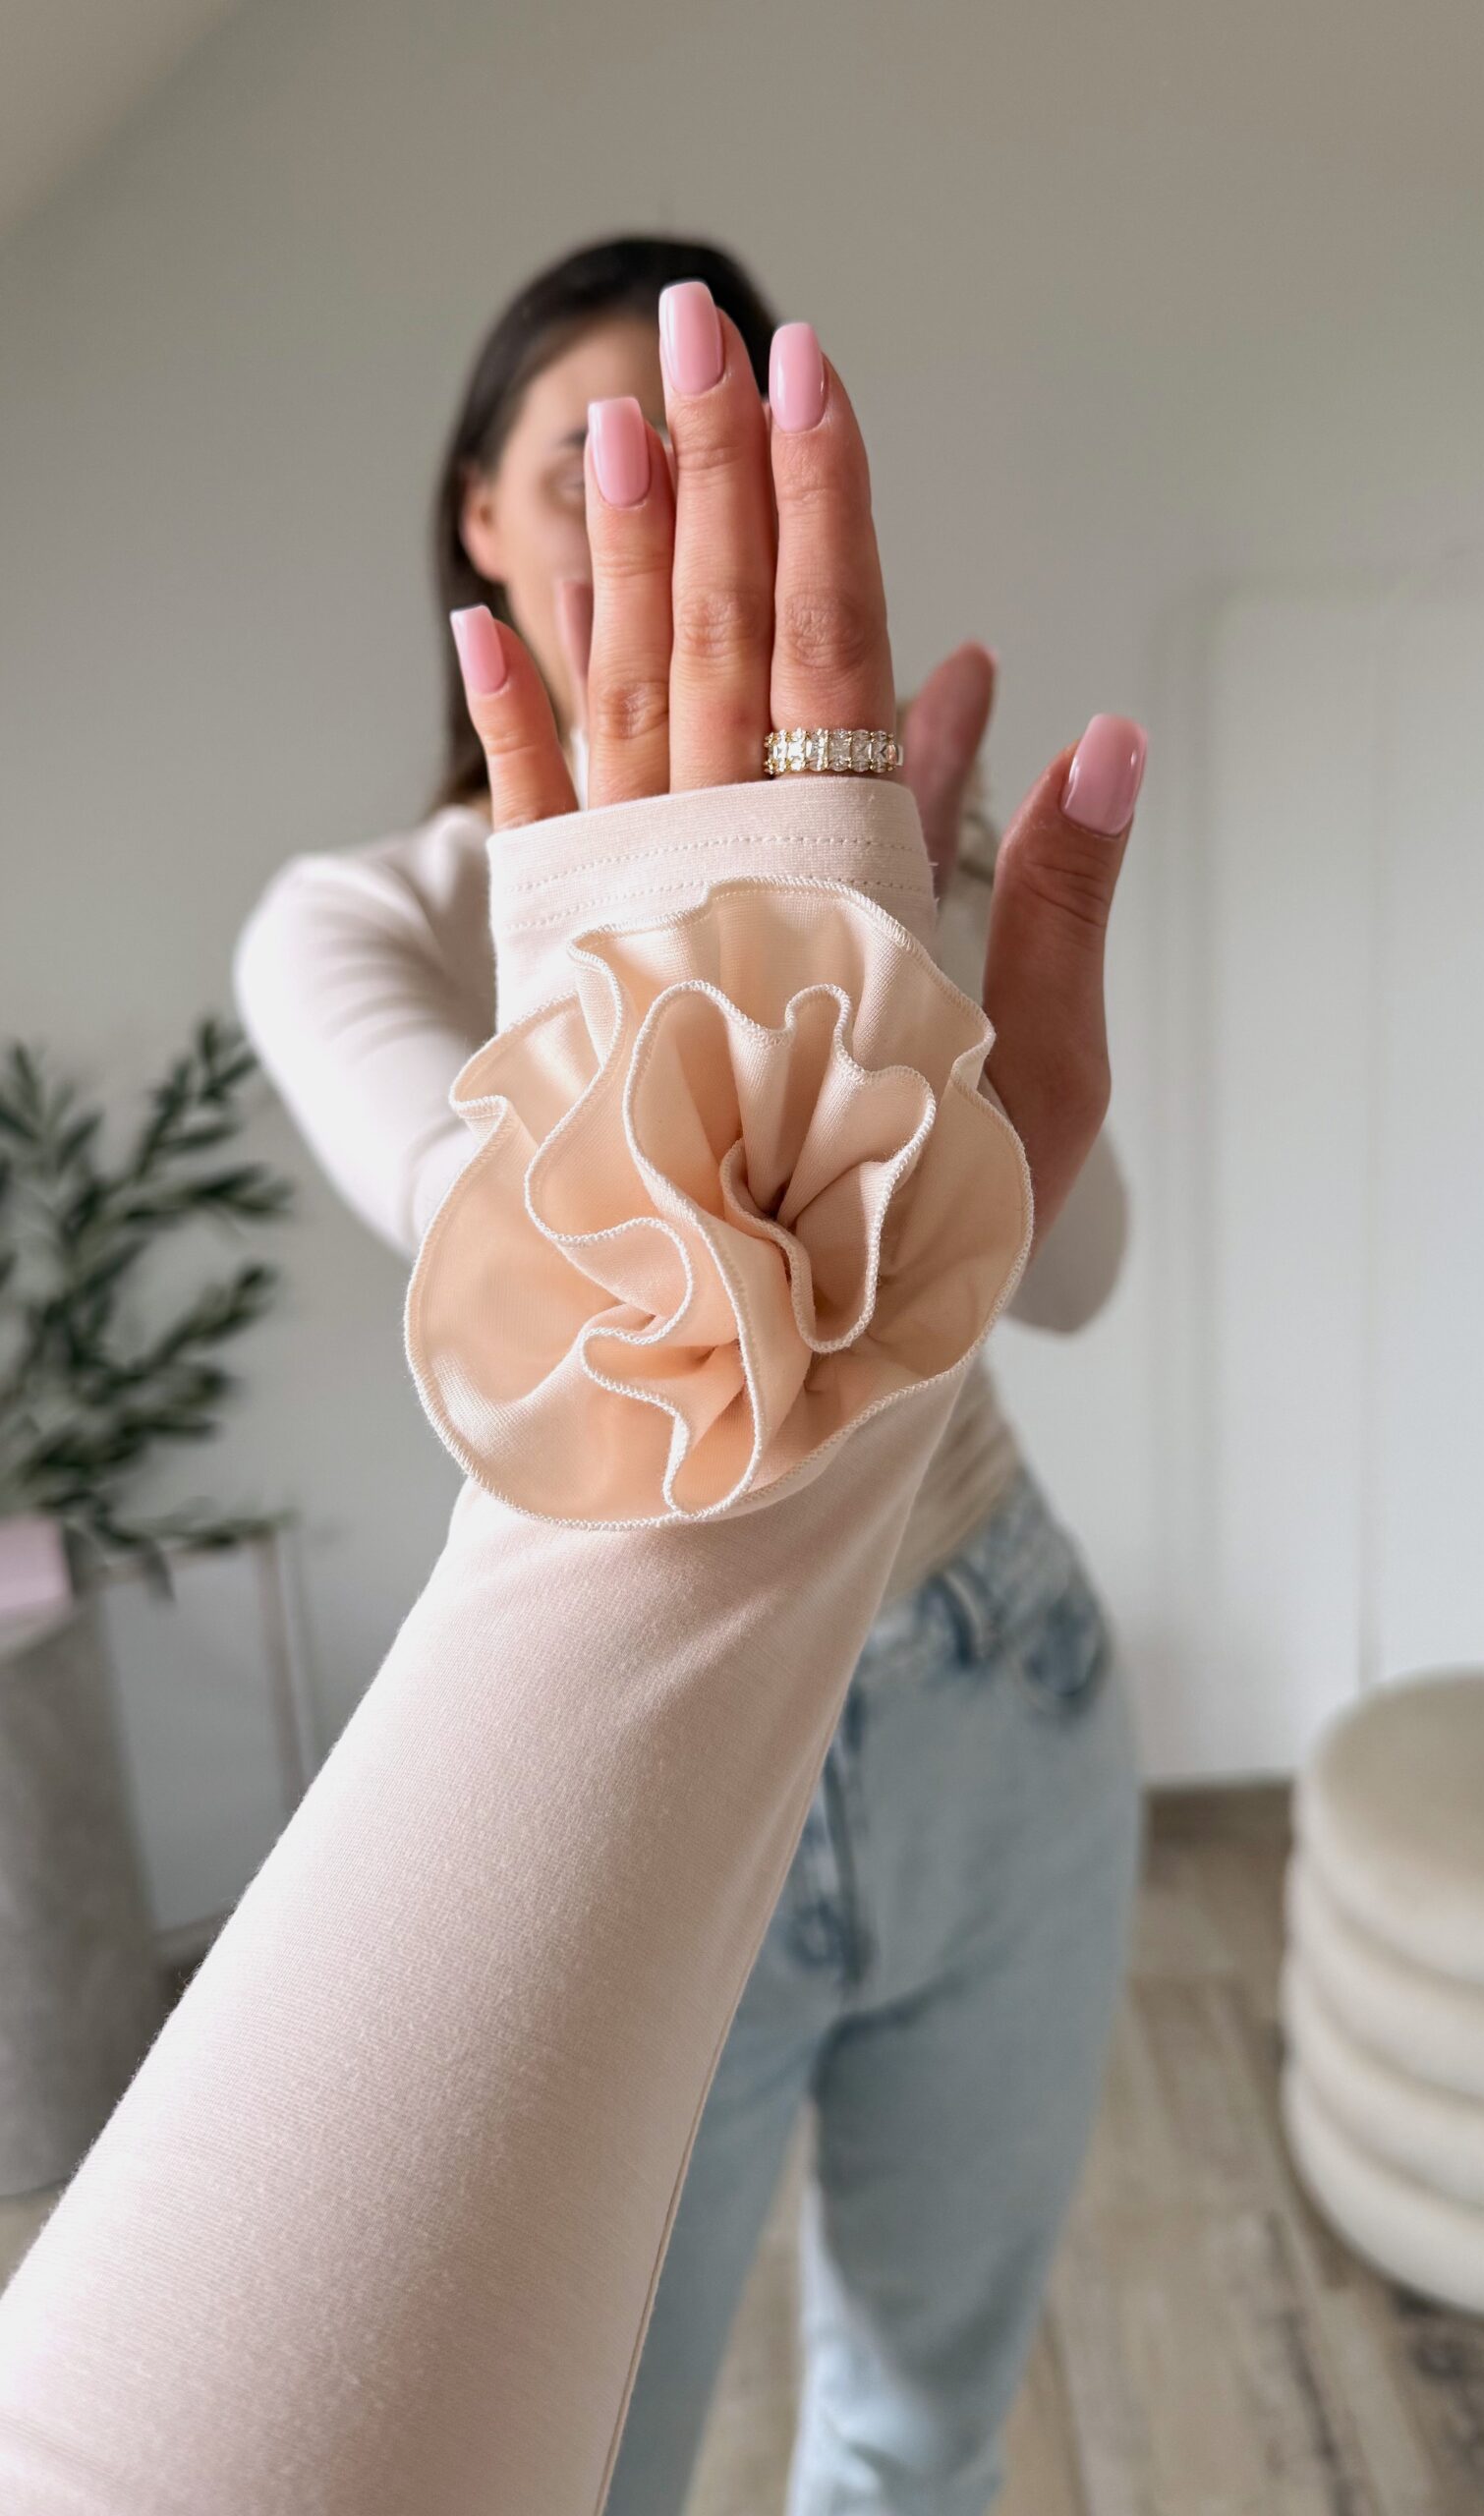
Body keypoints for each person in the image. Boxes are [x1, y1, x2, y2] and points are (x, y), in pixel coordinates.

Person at [234, 236, 1147, 2515]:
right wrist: (756, 933)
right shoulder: (353, 918)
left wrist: (919, 930)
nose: (631, 498)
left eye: (681, 445)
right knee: (581, 2464)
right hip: (645, 1754)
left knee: (919, 2435)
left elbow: (1069, 1270)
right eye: (582, 459)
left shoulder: (880, 854)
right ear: (475, 513)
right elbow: (532, 1280)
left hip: (997, 1686)